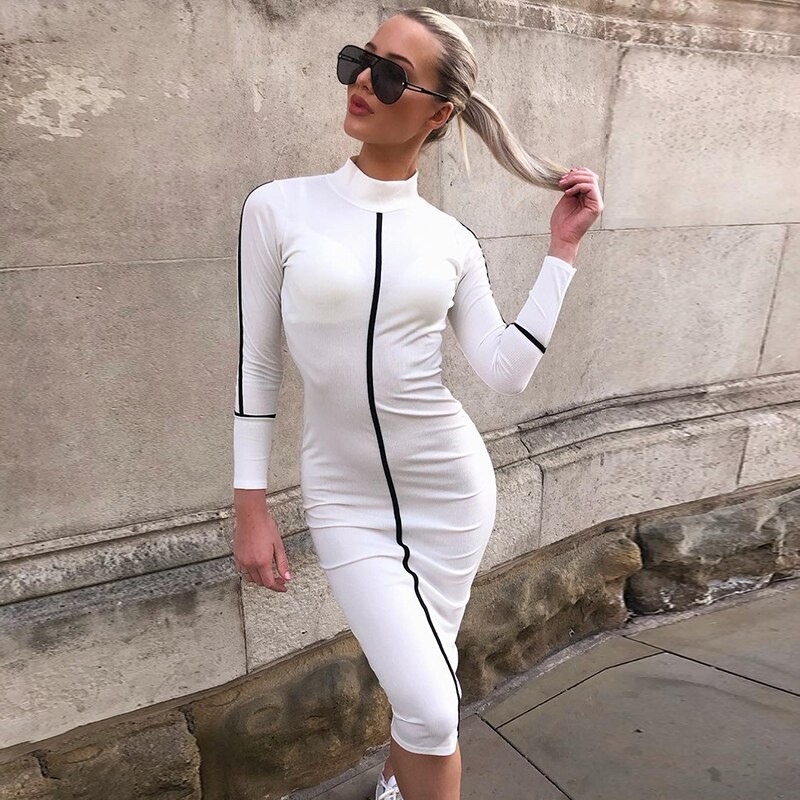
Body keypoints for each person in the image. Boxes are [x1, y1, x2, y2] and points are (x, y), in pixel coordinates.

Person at [231, 7, 603, 800]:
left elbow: (504, 370)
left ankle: (398, 788)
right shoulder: (278, 209)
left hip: (450, 495)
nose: (365, 80)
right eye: (362, 59)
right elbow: (257, 362)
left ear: (439, 113)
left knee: (423, 697)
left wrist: (561, 252)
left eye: (393, 74)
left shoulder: (451, 240)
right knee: (433, 706)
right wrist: (249, 505)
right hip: (344, 497)